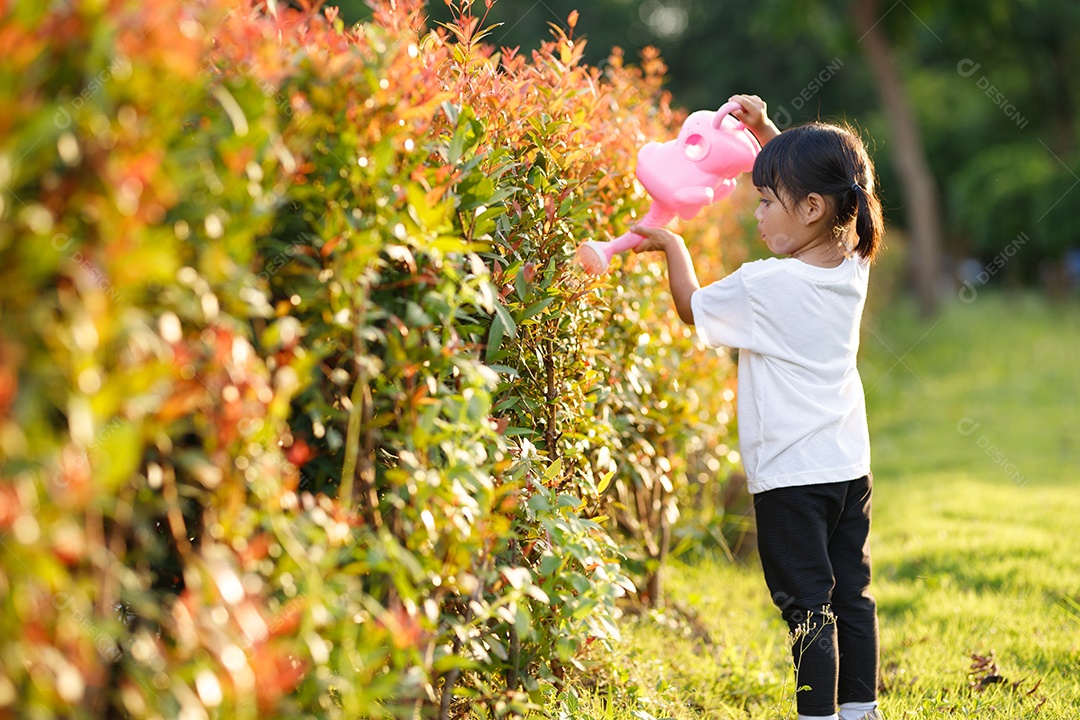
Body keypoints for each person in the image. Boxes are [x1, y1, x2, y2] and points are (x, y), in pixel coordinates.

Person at [631, 94, 885, 720]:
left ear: (812, 208)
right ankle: (859, 711)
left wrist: (671, 247)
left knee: (806, 608)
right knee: (851, 596)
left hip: (791, 481)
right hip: (849, 469)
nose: (759, 213)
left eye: (768, 201)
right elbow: (820, 188)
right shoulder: (853, 264)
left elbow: (692, 310)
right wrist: (771, 137)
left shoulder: (765, 284)